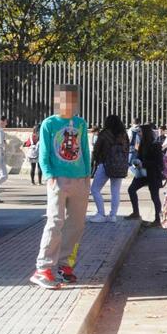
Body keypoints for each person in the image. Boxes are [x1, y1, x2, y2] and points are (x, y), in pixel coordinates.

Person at [30, 85, 91, 289]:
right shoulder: (49, 123)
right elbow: (44, 152)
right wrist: (48, 176)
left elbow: (84, 150)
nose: (69, 105)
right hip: (58, 179)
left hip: (80, 179)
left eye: (73, 100)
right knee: (55, 221)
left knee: (77, 225)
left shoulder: (81, 123)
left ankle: (66, 266)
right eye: (65, 100)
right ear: (58, 101)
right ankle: (43, 268)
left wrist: (87, 175)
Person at [88, 115, 129, 223]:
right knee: (115, 191)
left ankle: (101, 213)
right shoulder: (123, 135)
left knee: (95, 189)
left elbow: (96, 149)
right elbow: (127, 150)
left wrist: (94, 163)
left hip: (105, 164)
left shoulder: (104, 134)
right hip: (120, 166)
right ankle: (113, 216)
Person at [126, 124, 164, 225]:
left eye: (140, 132)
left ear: (145, 133)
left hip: (153, 174)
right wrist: (136, 162)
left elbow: (159, 163)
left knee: (154, 196)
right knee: (131, 189)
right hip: (141, 173)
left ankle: (157, 219)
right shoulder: (142, 144)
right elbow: (139, 157)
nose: (138, 134)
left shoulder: (155, 145)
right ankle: (136, 212)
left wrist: (144, 163)